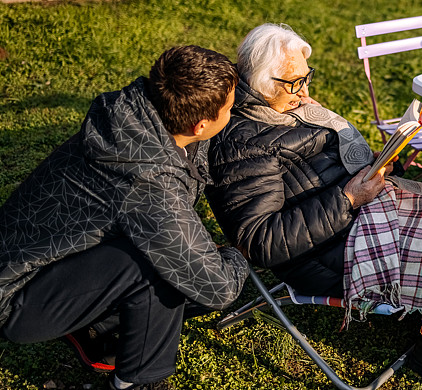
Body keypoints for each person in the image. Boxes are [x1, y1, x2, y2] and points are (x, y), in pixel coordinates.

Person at [205, 23, 422, 390]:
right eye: (294, 82)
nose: (305, 89)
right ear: (262, 83)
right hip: (333, 251)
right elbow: (261, 240)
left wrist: (379, 162)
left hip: (364, 213)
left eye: (306, 77)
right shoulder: (242, 144)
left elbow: (322, 168)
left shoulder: (291, 108)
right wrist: (348, 198)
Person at [0, 46, 249, 390]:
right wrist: (238, 255)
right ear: (200, 125)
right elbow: (217, 288)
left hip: (40, 263)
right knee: (167, 266)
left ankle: (97, 328)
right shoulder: (148, 183)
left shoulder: (136, 114)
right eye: (230, 109)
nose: (232, 113)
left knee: (168, 251)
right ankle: (135, 382)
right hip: (16, 298)